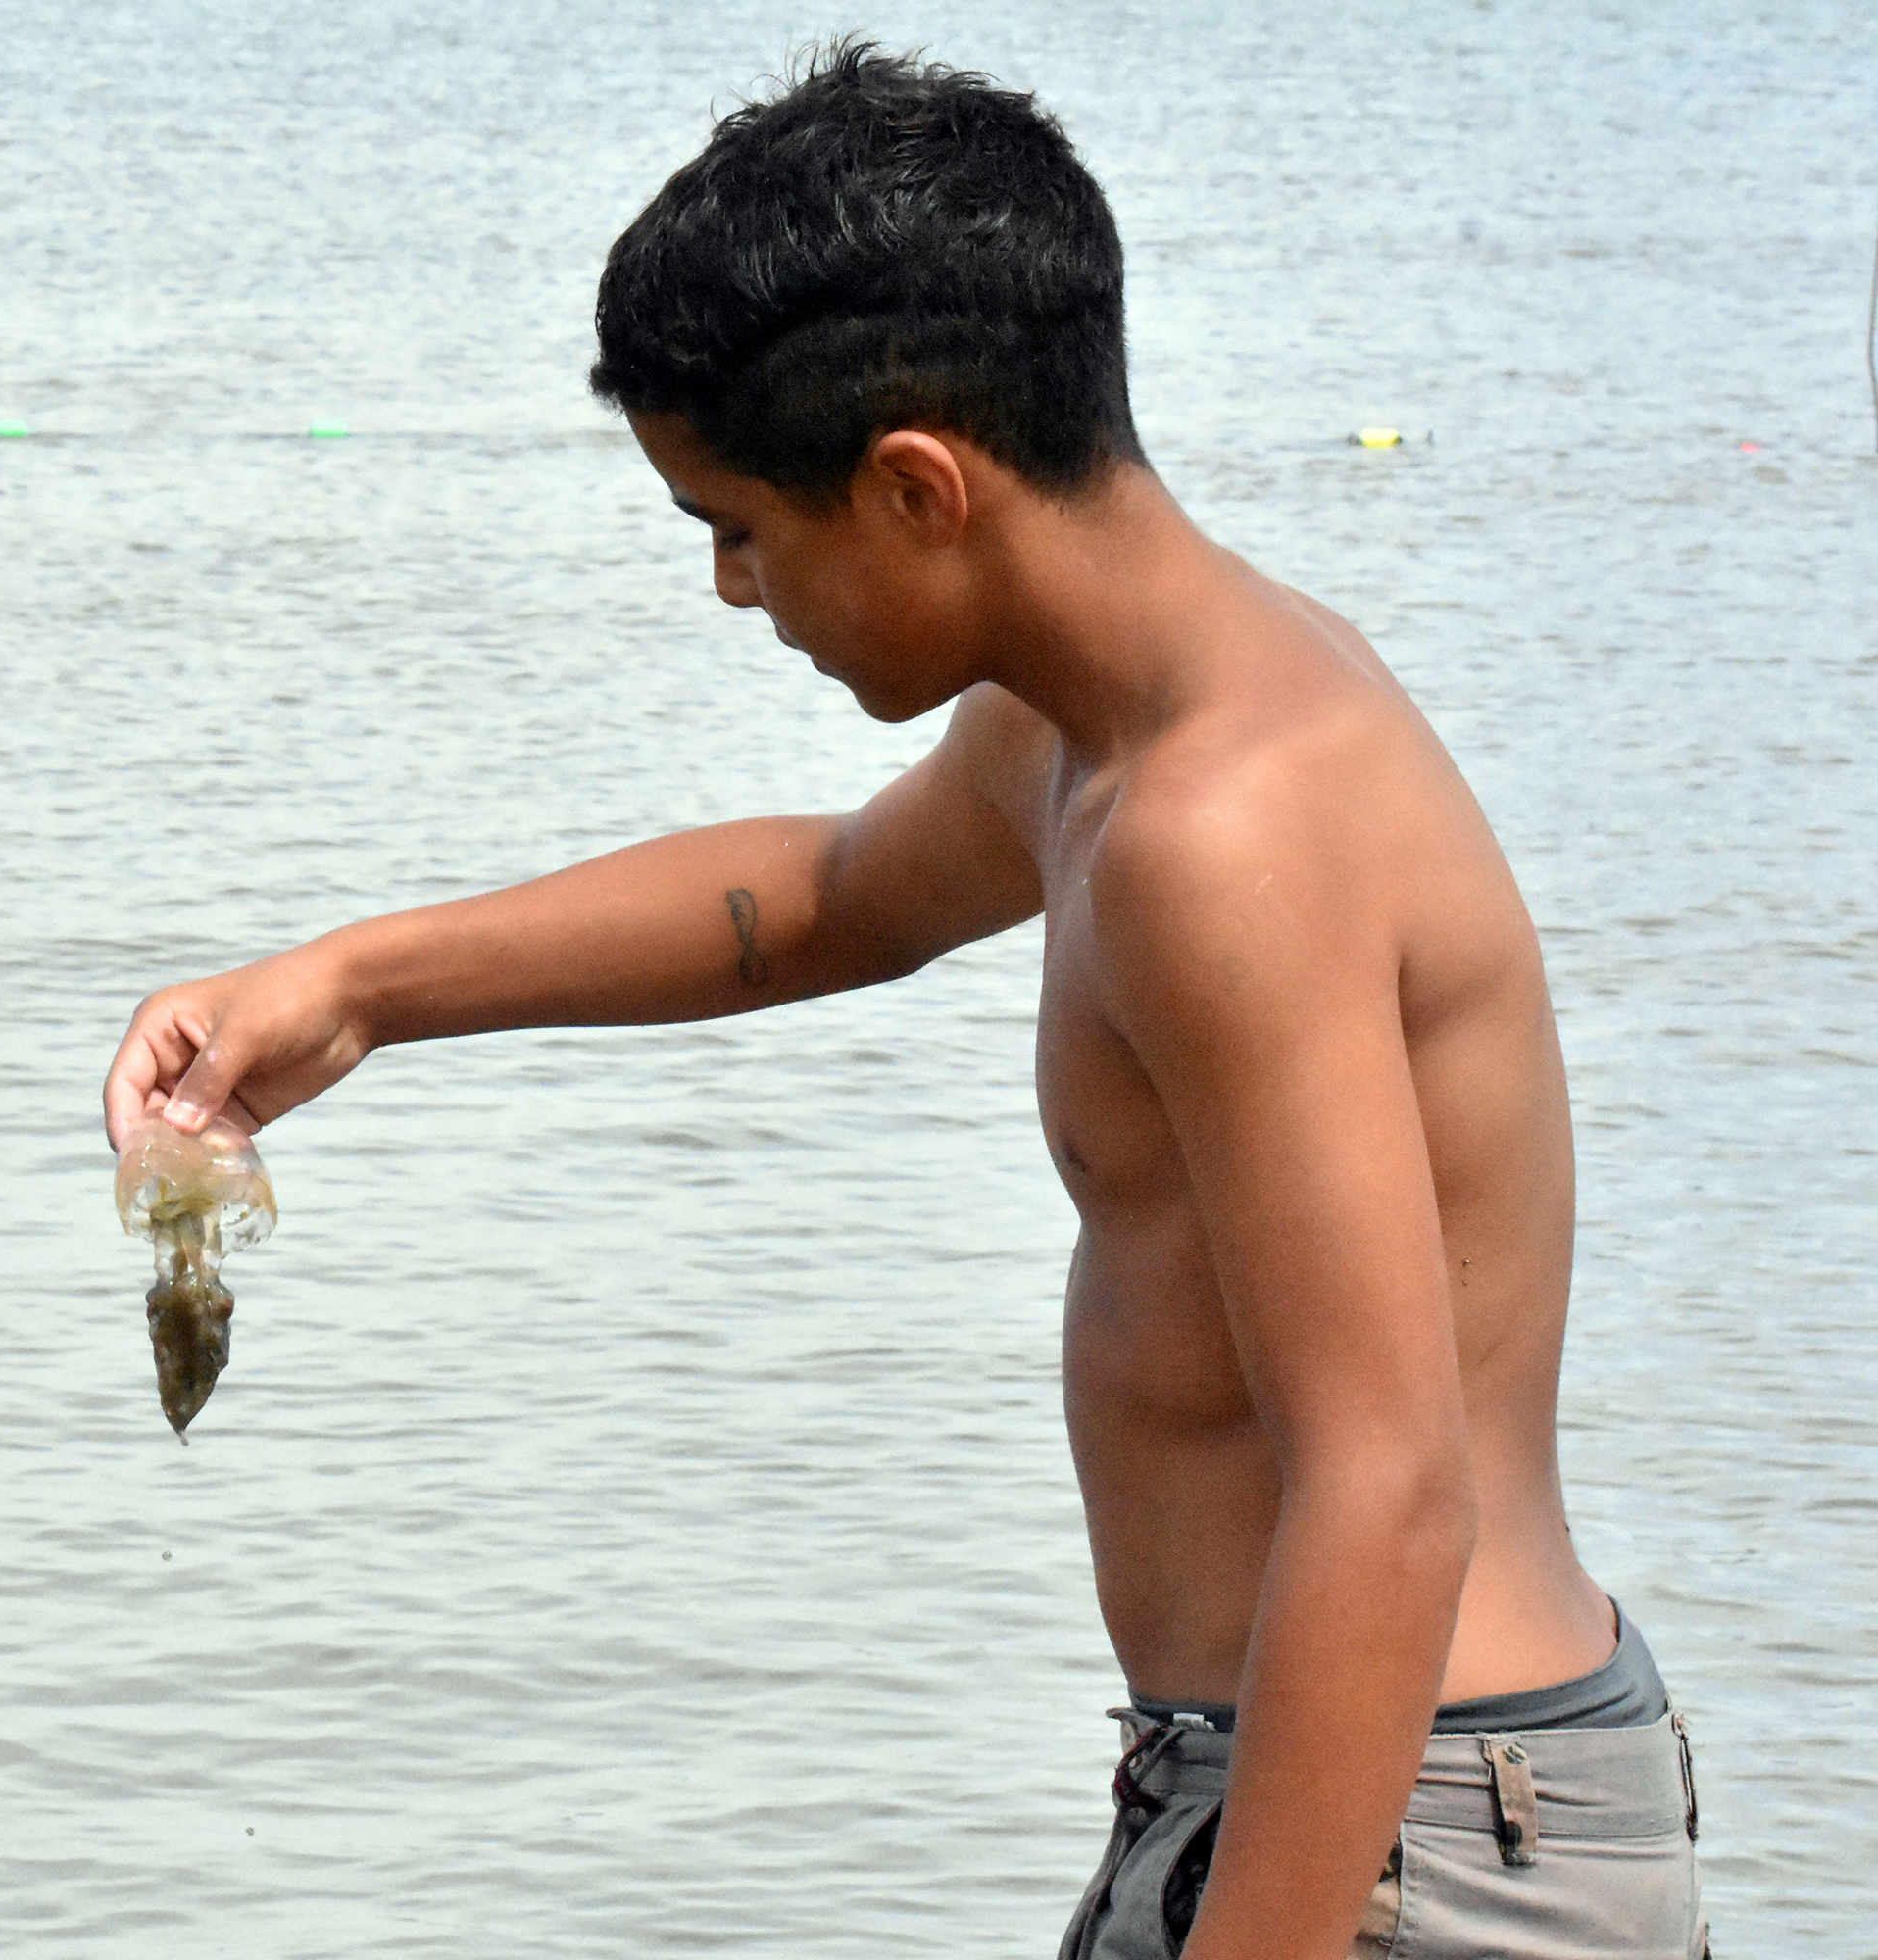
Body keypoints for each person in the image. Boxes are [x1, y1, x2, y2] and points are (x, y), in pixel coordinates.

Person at [102, 46, 1703, 1960]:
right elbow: (827, 903)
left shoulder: (1223, 835)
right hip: (1337, 1783)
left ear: (917, 484)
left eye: (740, 523)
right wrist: (347, 991)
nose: (726, 585)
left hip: (1412, 1823)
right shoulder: (1096, 734)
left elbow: (1389, 1488)